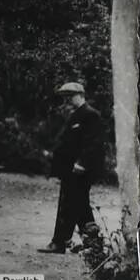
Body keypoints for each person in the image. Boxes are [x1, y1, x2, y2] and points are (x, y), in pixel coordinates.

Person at [37, 82, 105, 254]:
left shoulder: (90, 115)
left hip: (81, 168)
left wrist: (82, 163)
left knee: (69, 204)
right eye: (65, 97)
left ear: (81, 95)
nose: (67, 100)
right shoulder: (75, 115)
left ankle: (59, 243)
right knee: (80, 204)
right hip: (70, 168)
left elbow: (93, 143)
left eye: (70, 96)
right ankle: (93, 243)